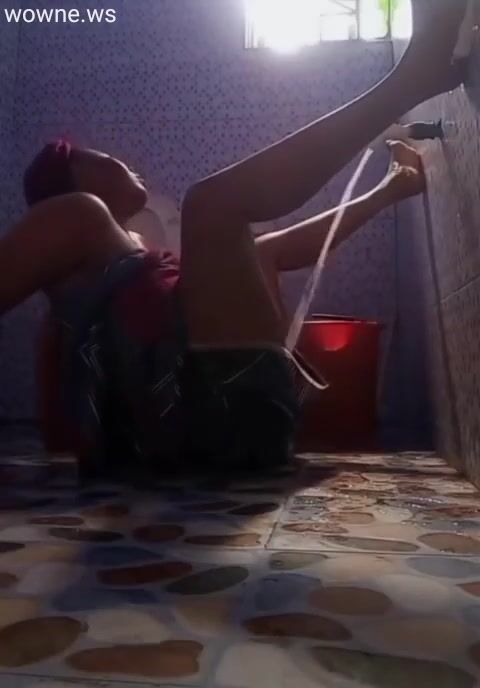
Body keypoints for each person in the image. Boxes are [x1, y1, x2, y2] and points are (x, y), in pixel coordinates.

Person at [0, 0, 466, 479]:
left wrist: (385, 193)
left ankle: (393, 184)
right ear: (77, 172)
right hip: (195, 418)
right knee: (209, 204)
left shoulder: (132, 261)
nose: (123, 162)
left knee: (260, 249)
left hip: (228, 414)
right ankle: (409, 81)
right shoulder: (75, 213)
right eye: (99, 155)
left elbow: (280, 253)